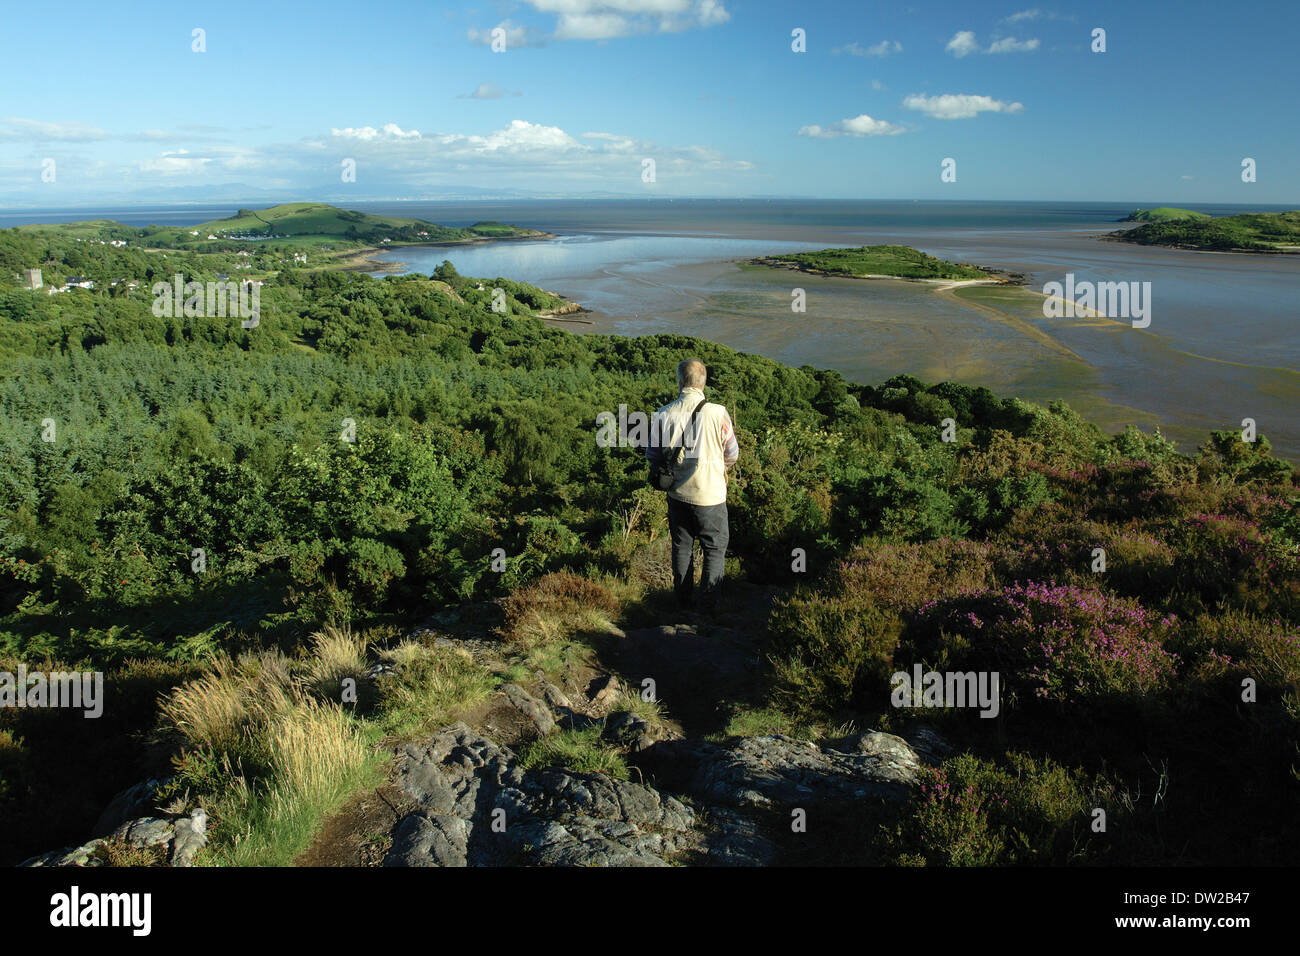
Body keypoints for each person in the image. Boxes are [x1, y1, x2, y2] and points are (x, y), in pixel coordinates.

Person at [645, 358, 739, 616]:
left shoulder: (663, 414)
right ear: (703, 383)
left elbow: (652, 456)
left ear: (680, 382)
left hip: (678, 495)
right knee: (714, 549)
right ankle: (708, 609)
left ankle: (683, 604)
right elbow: (732, 454)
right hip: (711, 496)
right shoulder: (718, 413)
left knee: (682, 547)